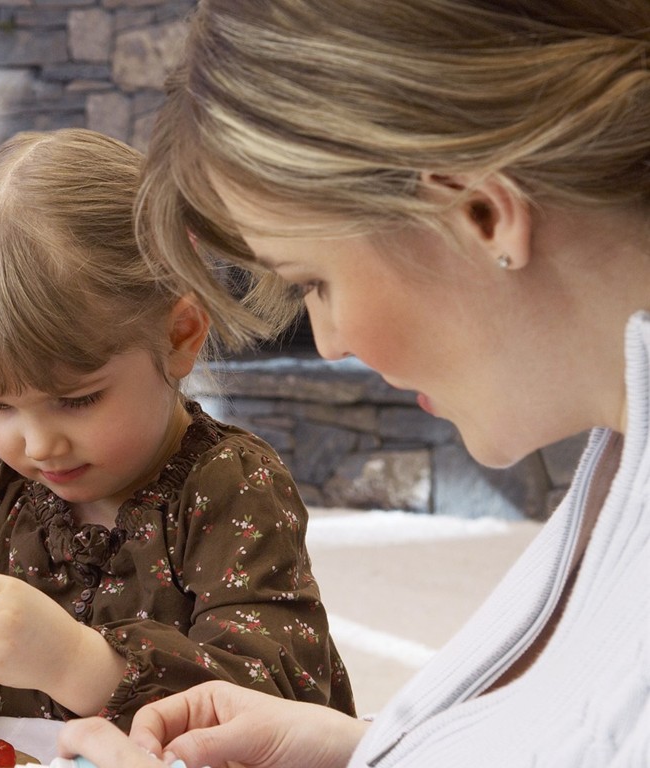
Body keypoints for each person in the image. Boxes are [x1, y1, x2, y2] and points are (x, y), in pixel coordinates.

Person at [54, 1, 650, 766]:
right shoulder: (622, 445)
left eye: (315, 284)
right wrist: (366, 750)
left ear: (479, 211)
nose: (330, 343)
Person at [0, 128, 355, 735]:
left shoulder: (231, 490)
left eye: (76, 399)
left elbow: (275, 701)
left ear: (180, 335)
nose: (37, 446)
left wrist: (74, 661)